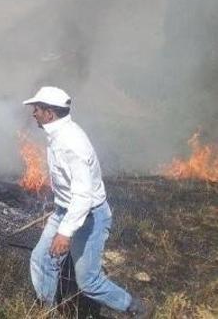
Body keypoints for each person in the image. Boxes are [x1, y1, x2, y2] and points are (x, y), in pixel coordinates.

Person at [23, 86, 150, 317]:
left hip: (89, 216)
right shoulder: (57, 134)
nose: (33, 113)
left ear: (50, 113)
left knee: (88, 282)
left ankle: (132, 307)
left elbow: (83, 196)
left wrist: (65, 232)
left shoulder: (72, 144)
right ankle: (46, 311)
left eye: (37, 109)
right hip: (65, 210)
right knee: (41, 259)